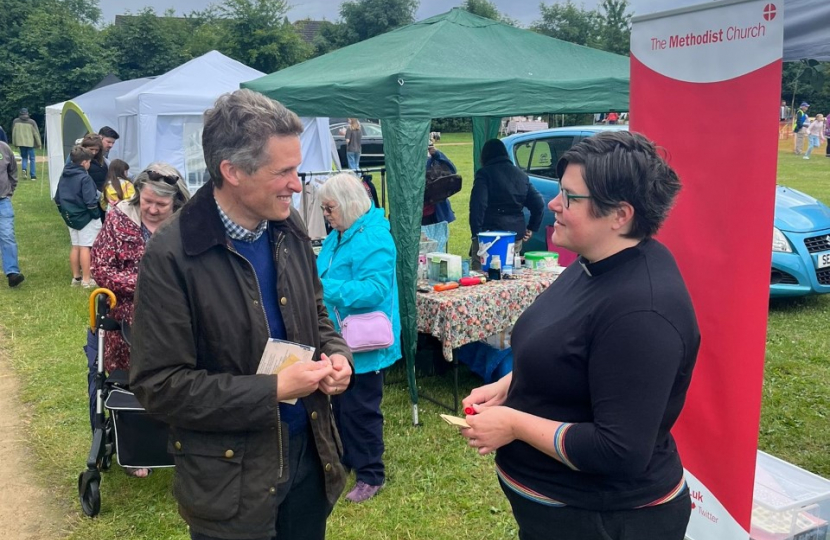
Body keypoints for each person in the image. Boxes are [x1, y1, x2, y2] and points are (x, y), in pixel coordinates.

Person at [129, 88, 353, 540]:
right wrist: (271, 390)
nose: (297, 184)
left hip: (309, 453)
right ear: (231, 171)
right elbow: (160, 386)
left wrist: (336, 354)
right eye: (284, 171)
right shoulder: (172, 254)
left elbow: (315, 310)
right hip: (230, 479)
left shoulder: (286, 226)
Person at [460, 131, 700, 540]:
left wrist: (515, 424)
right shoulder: (596, 261)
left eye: (570, 197)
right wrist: (509, 385)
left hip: (605, 520)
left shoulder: (643, 311)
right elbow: (569, 352)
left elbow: (619, 450)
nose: (553, 203)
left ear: (619, 215)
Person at [90, 162, 190, 477]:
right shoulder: (119, 219)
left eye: (161, 204)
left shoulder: (185, 224)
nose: (152, 209)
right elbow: (101, 268)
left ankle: (181, 439)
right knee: (129, 381)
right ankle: (136, 443)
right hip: (125, 321)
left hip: (175, 318)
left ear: (175, 202)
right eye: (147, 201)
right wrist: (149, 283)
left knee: (179, 378)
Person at [316, 173, 401, 504]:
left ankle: (371, 474)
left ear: (349, 205)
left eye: (329, 208)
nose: (325, 214)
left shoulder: (375, 238)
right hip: (340, 338)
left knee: (361, 409)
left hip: (365, 342)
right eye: (324, 208)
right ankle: (349, 458)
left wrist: (324, 288)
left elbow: (375, 290)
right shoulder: (342, 233)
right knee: (339, 405)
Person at [469, 138, 544, 269]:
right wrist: (532, 227)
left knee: (483, 273)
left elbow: (478, 206)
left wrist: (476, 233)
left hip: (489, 235)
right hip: (514, 233)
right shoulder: (521, 175)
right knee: (510, 271)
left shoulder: (485, 174)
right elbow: (538, 204)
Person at [54, 146, 100, 288]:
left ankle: (76, 278)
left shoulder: (64, 176)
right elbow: (90, 201)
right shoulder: (85, 178)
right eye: (89, 162)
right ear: (84, 162)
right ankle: (87, 280)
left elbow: (57, 199)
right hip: (85, 217)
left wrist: (65, 213)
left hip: (70, 216)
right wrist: (95, 215)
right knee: (86, 246)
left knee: (76, 246)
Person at [0, 140, 23, 287]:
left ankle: (12, 273)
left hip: (3, 200)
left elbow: (13, 171)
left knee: (7, 235)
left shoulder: (4, 148)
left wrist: (10, 191)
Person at [11, 108, 41, 180]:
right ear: (27, 113)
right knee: (32, 159)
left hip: (21, 143)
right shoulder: (32, 122)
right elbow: (36, 133)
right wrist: (39, 143)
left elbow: (13, 133)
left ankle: (24, 169)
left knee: (24, 158)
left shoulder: (15, 121)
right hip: (30, 143)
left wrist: (14, 143)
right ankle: (33, 176)